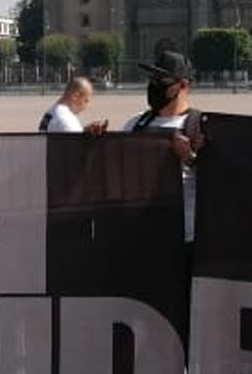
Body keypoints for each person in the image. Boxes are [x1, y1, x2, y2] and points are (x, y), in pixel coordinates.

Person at [123, 52, 202, 238]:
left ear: (183, 85)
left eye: (161, 80)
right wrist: (93, 139)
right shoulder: (135, 124)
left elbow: (220, 182)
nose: (154, 85)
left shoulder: (200, 125)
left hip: (184, 235)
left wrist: (190, 158)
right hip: (142, 232)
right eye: (152, 79)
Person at [40, 76, 106, 133]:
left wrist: (85, 130)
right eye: (86, 101)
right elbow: (76, 141)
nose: (86, 106)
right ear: (75, 96)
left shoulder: (52, 112)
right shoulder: (66, 118)